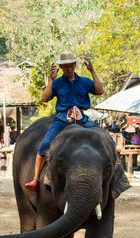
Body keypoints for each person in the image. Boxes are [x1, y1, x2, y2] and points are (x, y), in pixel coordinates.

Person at [25, 50, 104, 191]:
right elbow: (44, 98)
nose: (68, 68)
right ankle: (36, 179)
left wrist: (92, 71)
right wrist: (51, 79)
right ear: (61, 67)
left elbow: (99, 91)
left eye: (71, 65)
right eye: (65, 66)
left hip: (82, 118)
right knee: (45, 144)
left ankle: (115, 176)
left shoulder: (85, 82)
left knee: (105, 138)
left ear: (74, 65)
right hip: (63, 119)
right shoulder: (58, 83)